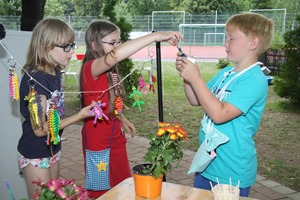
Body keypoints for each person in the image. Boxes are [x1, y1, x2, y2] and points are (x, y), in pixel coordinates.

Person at [80, 20, 183, 198]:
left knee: (123, 184)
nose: (117, 47)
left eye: (118, 42)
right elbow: (114, 55)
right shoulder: (91, 67)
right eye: (112, 43)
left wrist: (121, 119)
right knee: (101, 190)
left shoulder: (110, 71)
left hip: (115, 137)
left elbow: (107, 103)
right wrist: (156, 37)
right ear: (94, 44)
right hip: (97, 141)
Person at [175, 13, 274, 197]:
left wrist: (195, 77)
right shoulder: (226, 73)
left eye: (231, 38)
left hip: (232, 171)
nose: (225, 43)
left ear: (253, 43)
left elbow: (220, 114)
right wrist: (187, 77)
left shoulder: (254, 80)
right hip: (207, 165)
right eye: (225, 37)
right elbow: (196, 100)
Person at [17, 18, 95, 199]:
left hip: (52, 148)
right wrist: (80, 116)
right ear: (45, 47)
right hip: (35, 154)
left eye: (72, 45)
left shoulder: (54, 72)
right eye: (66, 47)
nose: (72, 51)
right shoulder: (34, 81)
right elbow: (39, 130)